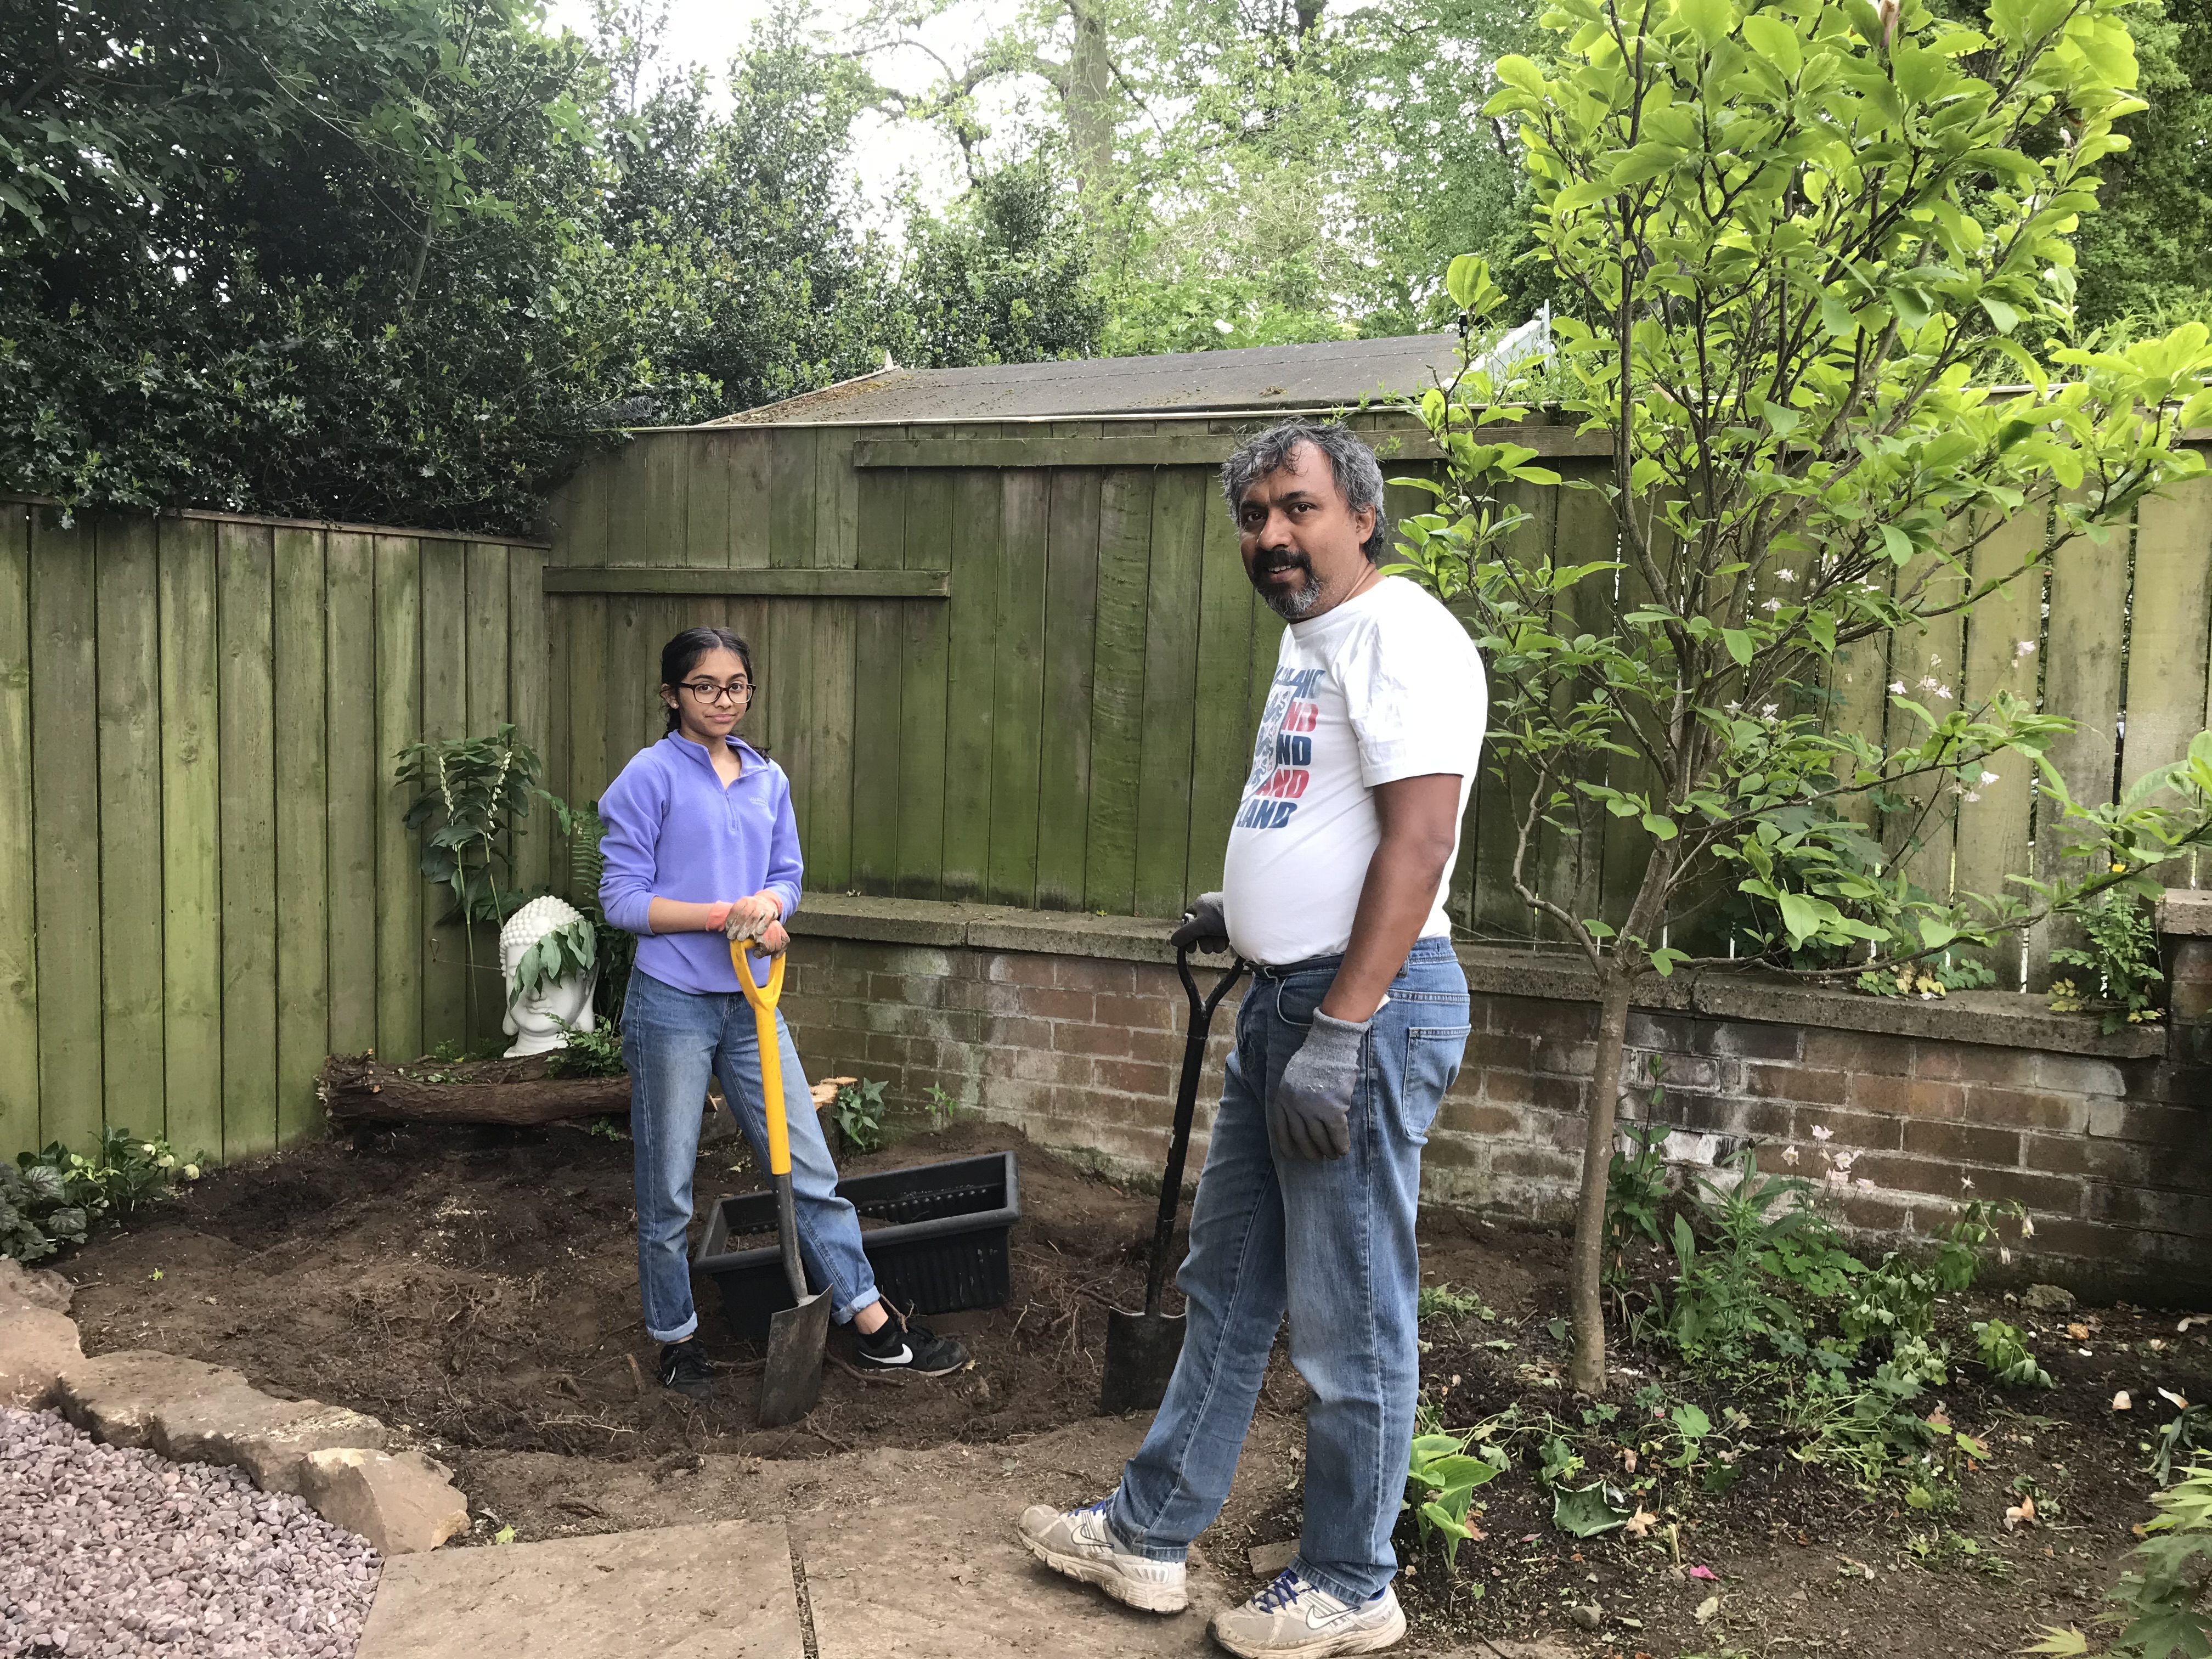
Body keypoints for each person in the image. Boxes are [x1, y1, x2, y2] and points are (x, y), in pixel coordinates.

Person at [1018, 423, 1486, 1657]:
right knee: (1228, 1283)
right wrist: (1254, 910)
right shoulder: (1313, 642)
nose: (1274, 535)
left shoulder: (1401, 634)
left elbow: (1419, 843)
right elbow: (1331, 816)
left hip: (1359, 1015)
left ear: (1362, 517)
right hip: (1294, 996)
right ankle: (1147, 1535)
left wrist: (1342, 1027)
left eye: (1299, 508)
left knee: (1351, 1316)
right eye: (1256, 516)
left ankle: (1350, 1579)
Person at [597, 624, 969, 1400]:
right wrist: (717, 916)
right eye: (704, 687)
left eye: (736, 686)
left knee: (809, 1166)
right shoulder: (649, 776)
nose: (723, 700)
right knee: (667, 1186)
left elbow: (788, 874)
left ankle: (871, 1323)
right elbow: (621, 901)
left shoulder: (767, 778)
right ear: (672, 696)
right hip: (671, 1003)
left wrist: (769, 904)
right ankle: (677, 1339)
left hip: (751, 1007)